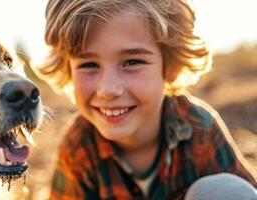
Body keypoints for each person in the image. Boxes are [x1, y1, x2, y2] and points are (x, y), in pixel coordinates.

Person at [36, 0, 257, 199]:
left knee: (225, 190)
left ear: (168, 66)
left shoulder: (198, 126)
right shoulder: (78, 145)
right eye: (88, 65)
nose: (108, 90)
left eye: (132, 62)